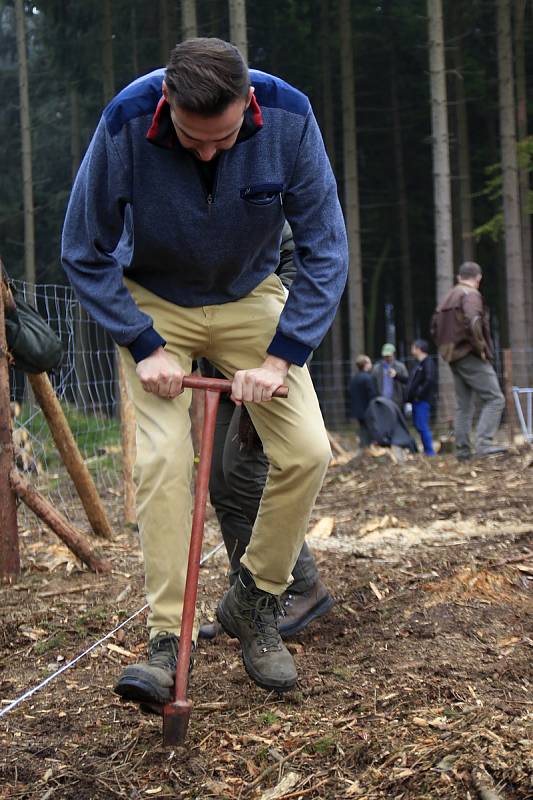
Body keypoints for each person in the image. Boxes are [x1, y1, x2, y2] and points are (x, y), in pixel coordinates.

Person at [61, 38, 348, 706]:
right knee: (163, 464)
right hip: (155, 305)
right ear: (168, 106)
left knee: (306, 452)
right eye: (193, 140)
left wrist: (281, 356)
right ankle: (169, 639)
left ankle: (254, 600)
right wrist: (142, 343)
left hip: (250, 299)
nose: (207, 153)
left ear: (247, 105)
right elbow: (83, 248)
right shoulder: (126, 120)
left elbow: (325, 249)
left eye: (220, 140)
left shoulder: (290, 117)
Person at [200, 223, 334, 641]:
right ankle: (244, 601)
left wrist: (273, 350)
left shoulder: (259, 196)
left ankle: (300, 585)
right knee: (222, 481)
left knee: (244, 471)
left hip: (266, 360)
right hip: (220, 366)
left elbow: (300, 271)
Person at [431, 261, 505, 461]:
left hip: (452, 356)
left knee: (464, 406)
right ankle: (484, 444)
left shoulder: (447, 297)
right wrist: (481, 349)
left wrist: (446, 350)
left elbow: (434, 328)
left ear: (458, 277)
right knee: (496, 399)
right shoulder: (470, 295)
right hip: (469, 354)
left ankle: (463, 452)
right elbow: (474, 321)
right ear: (478, 279)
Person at [406, 339, 436, 456]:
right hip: (416, 400)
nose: (412, 350)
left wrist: (419, 394)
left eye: (413, 347)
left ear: (419, 349)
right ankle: (427, 450)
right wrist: (397, 376)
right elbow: (411, 381)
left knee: (423, 426)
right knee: (419, 426)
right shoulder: (419, 364)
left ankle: (430, 452)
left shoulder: (428, 363)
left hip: (422, 400)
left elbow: (429, 380)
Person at [349, 355, 378, 447]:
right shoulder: (368, 378)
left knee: (363, 429)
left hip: (358, 410)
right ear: (365, 364)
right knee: (370, 430)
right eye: (369, 362)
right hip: (368, 409)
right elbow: (372, 394)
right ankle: (368, 448)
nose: (371, 364)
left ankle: (363, 446)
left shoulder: (354, 378)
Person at [372, 344, 408, 409]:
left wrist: (406, 401)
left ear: (394, 354)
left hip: (397, 401)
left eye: (389, 356)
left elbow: (405, 384)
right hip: (381, 400)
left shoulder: (400, 367)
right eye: (385, 356)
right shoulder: (377, 368)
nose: (387, 358)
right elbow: (373, 384)